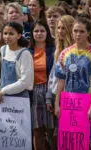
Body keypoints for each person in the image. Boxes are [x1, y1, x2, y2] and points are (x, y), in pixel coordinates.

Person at [54, 16, 91, 150]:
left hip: (89, 103)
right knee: (72, 142)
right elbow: (61, 79)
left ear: (88, 33)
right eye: (75, 31)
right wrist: (57, 104)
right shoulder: (64, 53)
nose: (78, 34)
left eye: (81, 31)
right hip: (70, 105)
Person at [46, 15, 75, 150]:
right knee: (56, 134)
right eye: (58, 28)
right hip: (56, 96)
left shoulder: (77, 50)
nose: (60, 31)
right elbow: (54, 77)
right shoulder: (58, 48)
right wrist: (50, 97)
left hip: (73, 99)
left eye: (64, 28)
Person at [29, 19, 55, 150]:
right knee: (37, 130)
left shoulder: (53, 49)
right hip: (33, 93)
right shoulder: (27, 51)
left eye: (42, 31)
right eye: (36, 31)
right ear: (32, 33)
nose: (39, 33)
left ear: (47, 32)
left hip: (49, 91)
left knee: (51, 130)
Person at [0, 21, 34, 101]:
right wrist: (1, 90)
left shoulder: (24, 54)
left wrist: (4, 90)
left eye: (11, 34)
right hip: (3, 96)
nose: (7, 36)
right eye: (5, 33)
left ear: (19, 35)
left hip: (20, 97)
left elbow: (25, 81)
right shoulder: (3, 49)